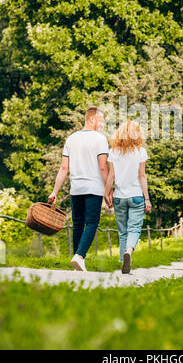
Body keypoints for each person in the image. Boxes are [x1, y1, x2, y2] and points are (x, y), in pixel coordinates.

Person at [48, 106, 111, 272]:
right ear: (92, 119)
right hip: (93, 188)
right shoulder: (100, 139)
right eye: (101, 120)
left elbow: (63, 168)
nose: (103, 123)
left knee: (78, 224)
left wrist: (55, 191)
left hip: (76, 188)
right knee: (92, 222)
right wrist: (108, 190)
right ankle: (80, 256)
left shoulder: (71, 139)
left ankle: (77, 262)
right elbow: (103, 168)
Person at [104, 120, 152, 274]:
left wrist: (106, 193)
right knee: (134, 229)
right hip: (136, 196)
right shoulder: (140, 151)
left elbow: (111, 176)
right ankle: (128, 252)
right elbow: (142, 176)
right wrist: (147, 199)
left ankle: (122, 262)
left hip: (119, 197)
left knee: (123, 231)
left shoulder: (113, 152)